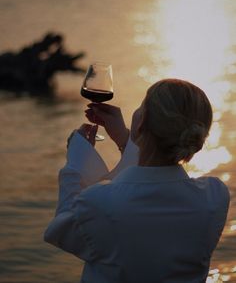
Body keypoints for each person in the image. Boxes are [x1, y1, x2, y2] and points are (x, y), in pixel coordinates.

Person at [44, 78, 230, 283]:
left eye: (143, 104)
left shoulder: (100, 204)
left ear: (141, 124)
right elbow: (152, 176)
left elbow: (59, 229)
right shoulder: (214, 198)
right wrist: (127, 140)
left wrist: (77, 162)